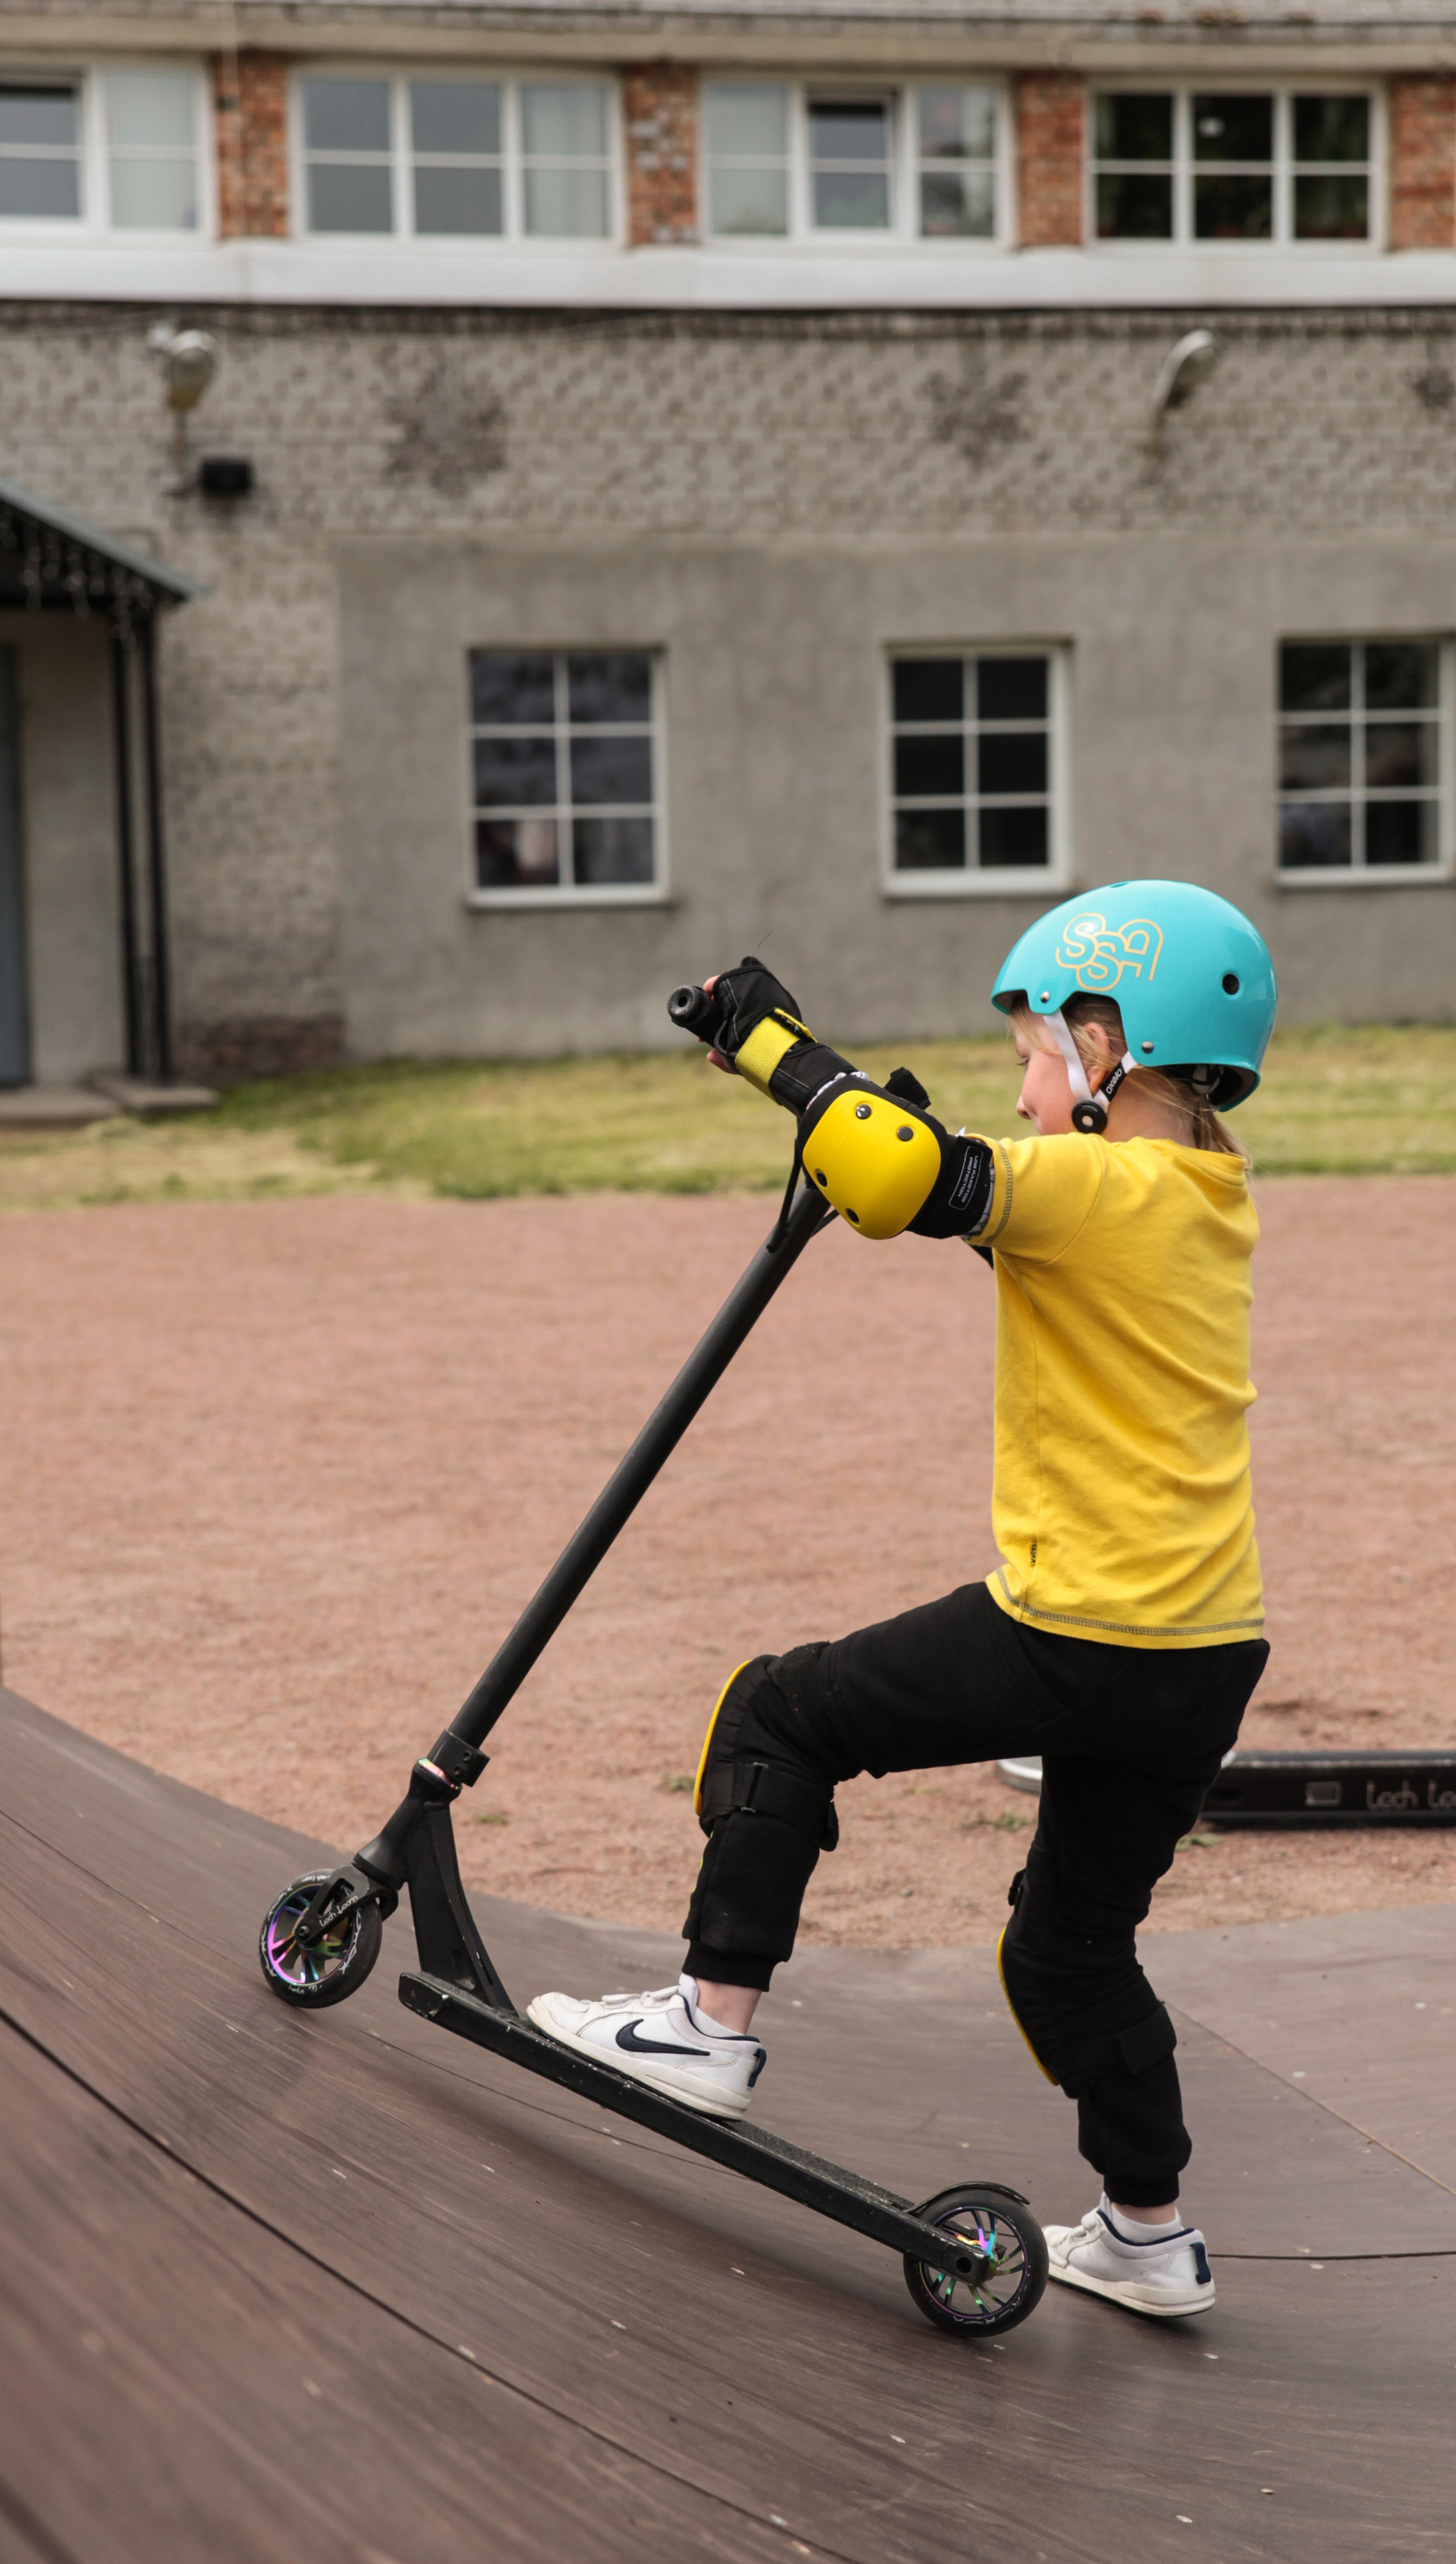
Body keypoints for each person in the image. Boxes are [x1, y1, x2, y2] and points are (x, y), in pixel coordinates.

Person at [529, 880, 1275, 2320]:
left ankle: (706, 2025)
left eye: (1034, 1055)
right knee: (1068, 1945)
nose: (1025, 1082)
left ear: (1113, 1044)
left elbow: (896, 1177)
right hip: (1203, 1652)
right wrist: (902, 1128)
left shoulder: (1097, 1184)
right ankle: (1148, 2231)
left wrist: (775, 1052)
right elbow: (946, 1184)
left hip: (1078, 1628)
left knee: (778, 1715)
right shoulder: (1196, 1199)